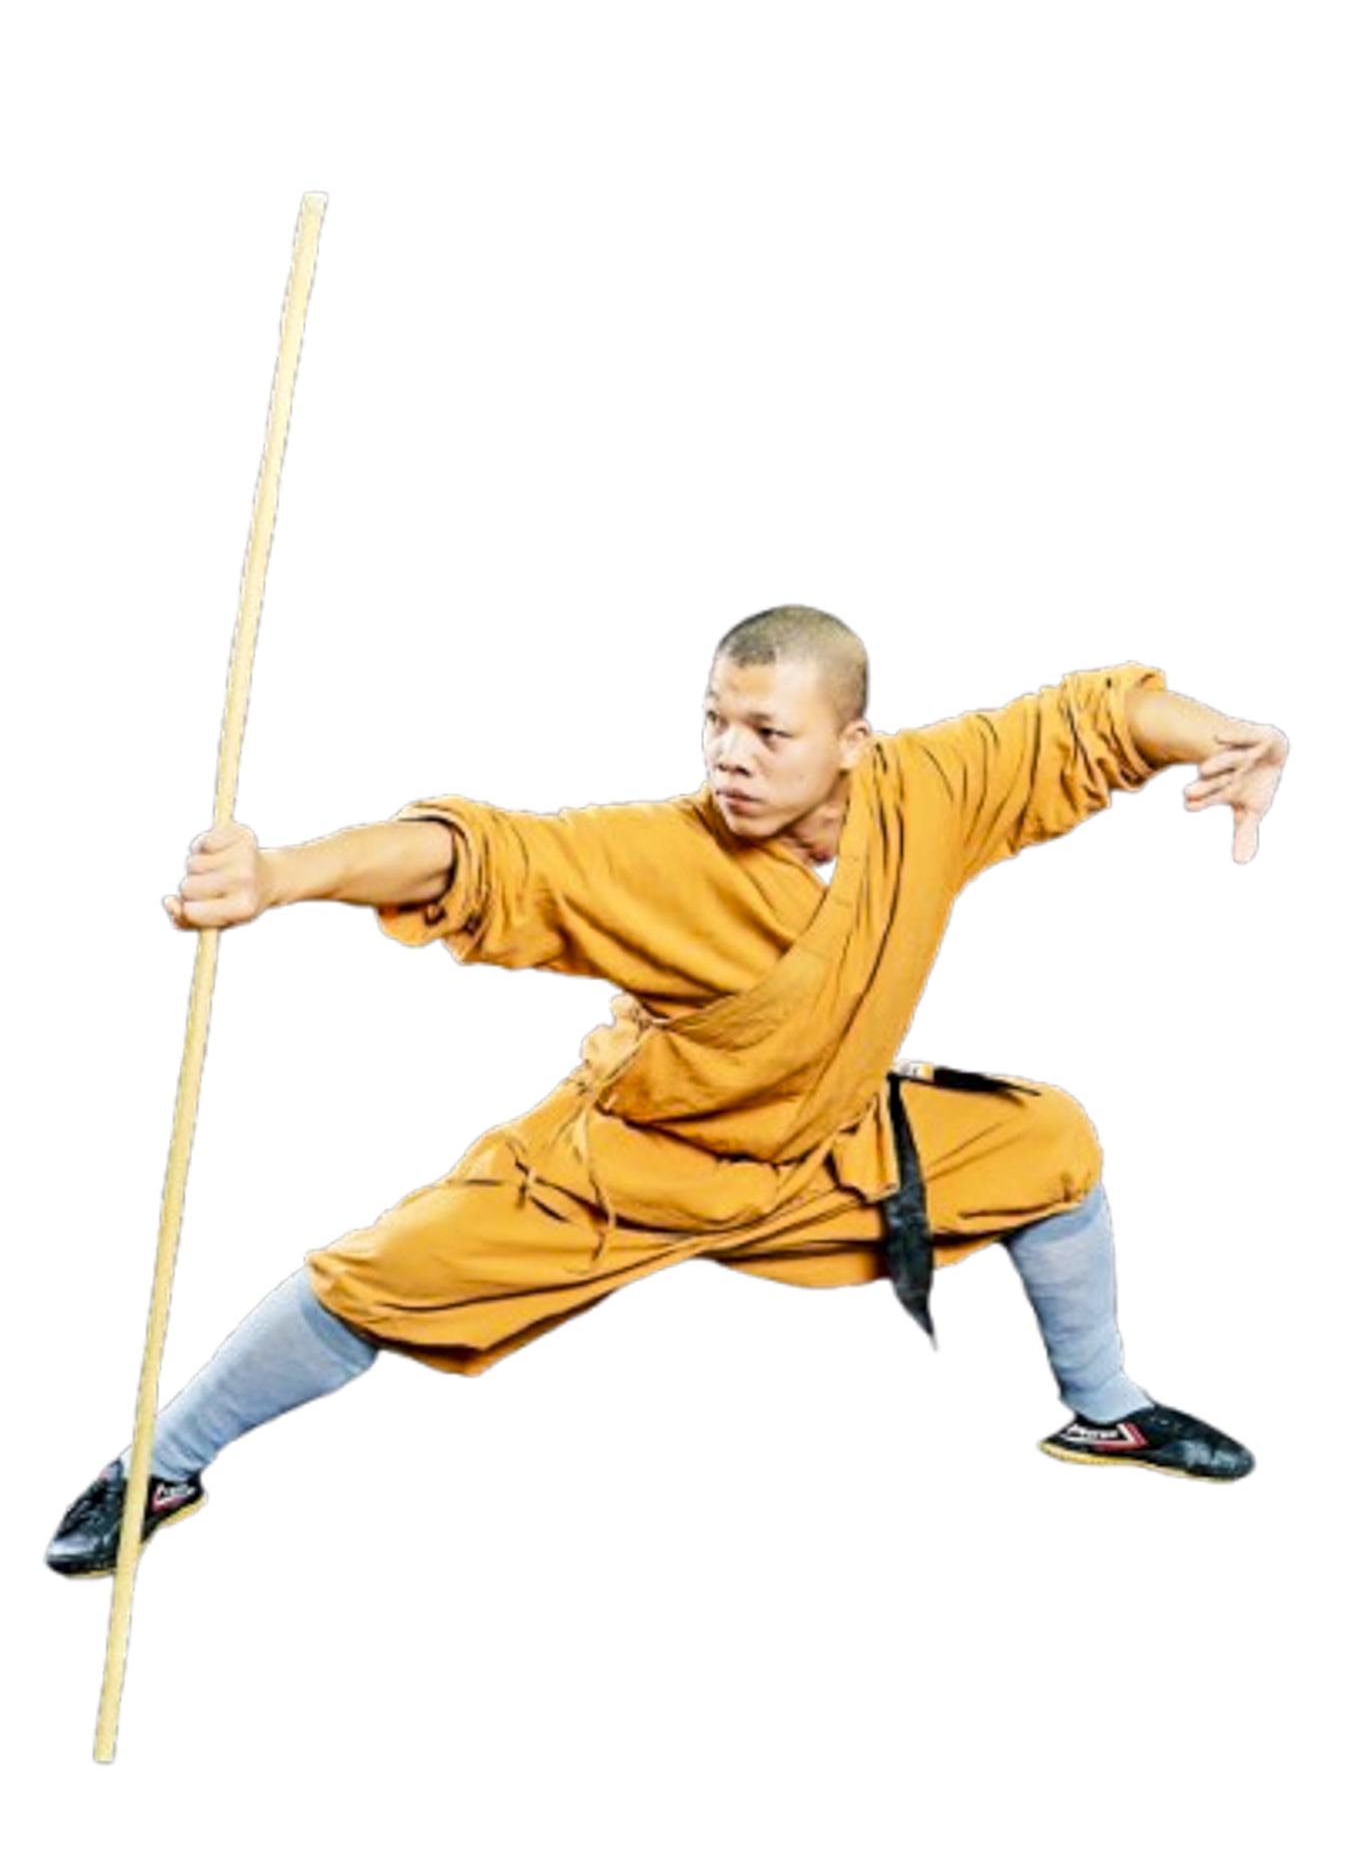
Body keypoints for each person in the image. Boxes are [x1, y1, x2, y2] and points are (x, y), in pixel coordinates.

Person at [46, 608, 1287, 1577]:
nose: (731, 758)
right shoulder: (661, 853)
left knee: (1048, 1138)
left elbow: (1094, 721)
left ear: (855, 742)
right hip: (631, 1164)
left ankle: (1106, 1410)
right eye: (717, 724)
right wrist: (277, 872)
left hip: (821, 1146)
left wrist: (1235, 738)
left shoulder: (932, 791)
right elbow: (473, 849)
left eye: (769, 733)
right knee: (376, 1276)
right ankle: (159, 1463)